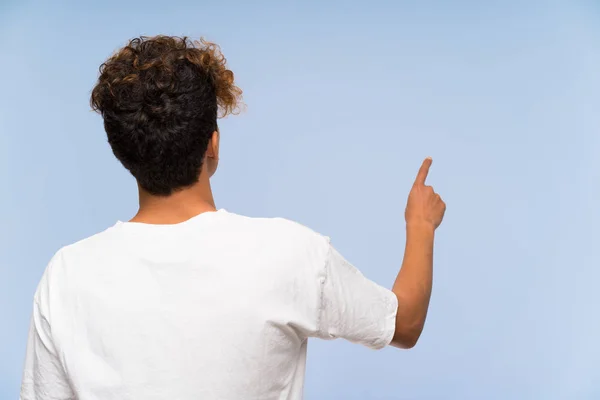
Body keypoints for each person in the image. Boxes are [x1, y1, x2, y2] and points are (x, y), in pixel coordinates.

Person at [20, 35, 446, 400]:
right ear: (213, 145)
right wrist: (420, 224)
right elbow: (403, 323)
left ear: (122, 151)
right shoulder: (290, 253)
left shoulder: (66, 276)